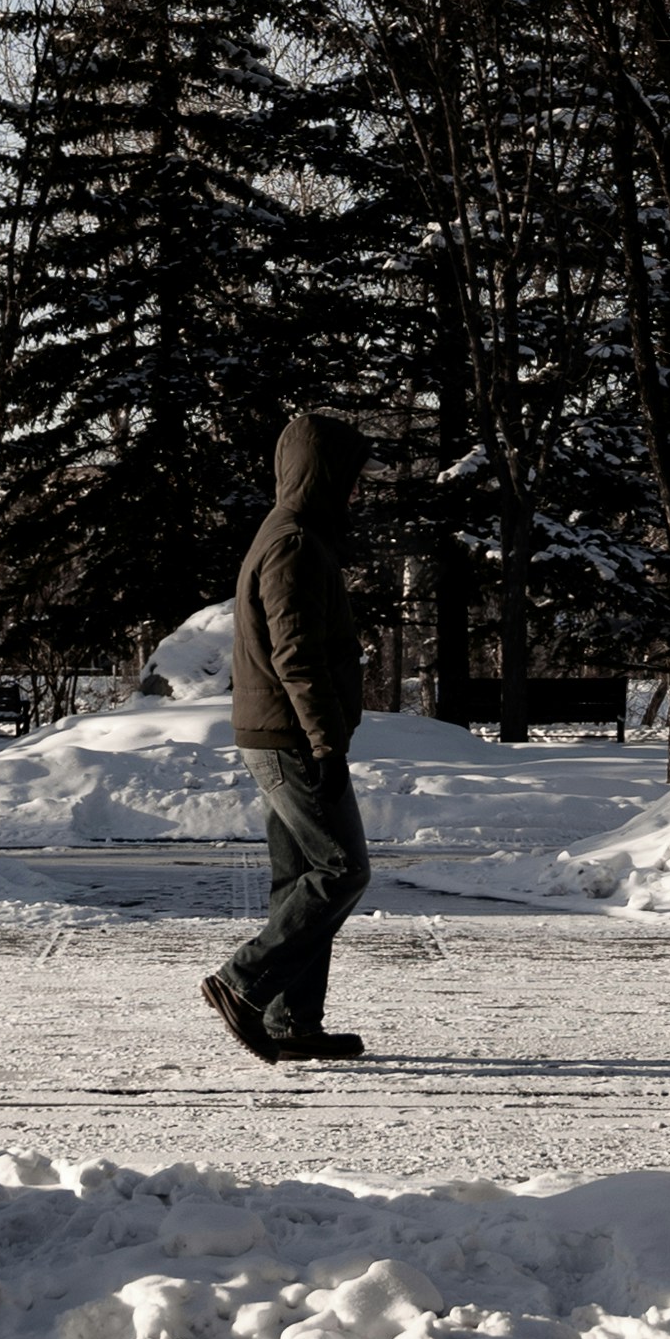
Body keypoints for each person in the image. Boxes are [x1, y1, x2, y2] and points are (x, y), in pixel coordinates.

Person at [202, 406, 374, 1065]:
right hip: (290, 735)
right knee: (343, 868)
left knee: (300, 874)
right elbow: (295, 653)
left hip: (279, 731)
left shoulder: (293, 533)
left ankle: (292, 1019)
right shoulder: (295, 542)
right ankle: (243, 982)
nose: (356, 489)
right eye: (350, 475)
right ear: (322, 472)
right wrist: (326, 743)